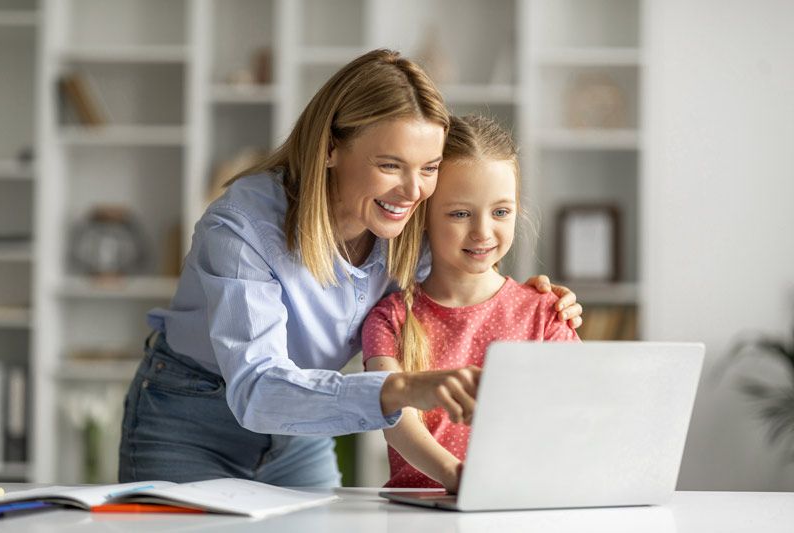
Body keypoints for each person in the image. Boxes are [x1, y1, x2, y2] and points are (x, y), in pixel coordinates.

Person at [118, 49, 583, 487]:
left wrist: (534, 298)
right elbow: (258, 390)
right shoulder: (242, 228)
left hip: (302, 428)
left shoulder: (407, 218)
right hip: (192, 416)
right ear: (330, 149)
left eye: (429, 167)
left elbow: (469, 265)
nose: (413, 190)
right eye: (390, 165)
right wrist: (401, 389)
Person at [362, 115, 581, 492]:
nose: (482, 231)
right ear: (425, 216)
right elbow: (395, 420)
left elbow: (573, 412)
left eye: (500, 212)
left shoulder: (546, 312)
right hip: (418, 509)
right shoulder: (390, 319)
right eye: (460, 213)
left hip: (519, 503)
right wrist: (458, 477)